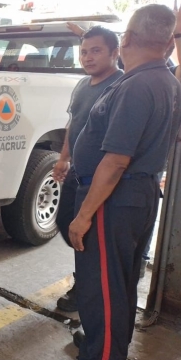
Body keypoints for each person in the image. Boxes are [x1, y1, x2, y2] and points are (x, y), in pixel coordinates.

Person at [45, 4, 181, 360]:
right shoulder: (165, 80)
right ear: (167, 41)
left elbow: (115, 160)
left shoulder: (138, 85)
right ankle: (105, 350)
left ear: (126, 40)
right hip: (134, 196)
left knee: (101, 291)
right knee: (119, 286)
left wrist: (84, 214)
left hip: (114, 198)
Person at [53, 26, 124, 313]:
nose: (88, 57)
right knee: (65, 224)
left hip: (102, 181)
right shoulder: (83, 85)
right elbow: (74, 123)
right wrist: (63, 158)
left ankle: (85, 288)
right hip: (77, 174)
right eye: (84, 51)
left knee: (90, 237)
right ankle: (87, 277)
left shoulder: (121, 86)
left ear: (114, 53)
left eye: (96, 51)